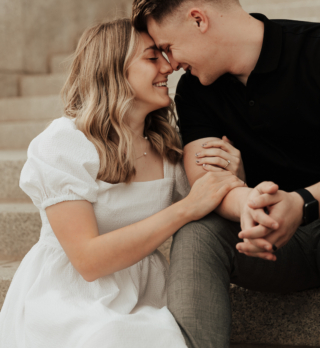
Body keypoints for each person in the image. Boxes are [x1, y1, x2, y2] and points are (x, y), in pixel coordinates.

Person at [0, 18, 247, 348]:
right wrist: (186, 208)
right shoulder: (64, 144)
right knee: (108, 338)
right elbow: (87, 261)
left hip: (146, 288)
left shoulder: (168, 151)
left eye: (165, 56)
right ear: (113, 69)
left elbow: (213, 206)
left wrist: (235, 173)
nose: (169, 66)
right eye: (152, 58)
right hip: (70, 291)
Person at [131, 0, 320, 348]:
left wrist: (302, 202)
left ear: (199, 20)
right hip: (277, 242)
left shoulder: (314, 50)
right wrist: (249, 202)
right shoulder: (196, 92)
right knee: (198, 230)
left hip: (308, 208)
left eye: (168, 46)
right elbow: (206, 181)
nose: (170, 63)